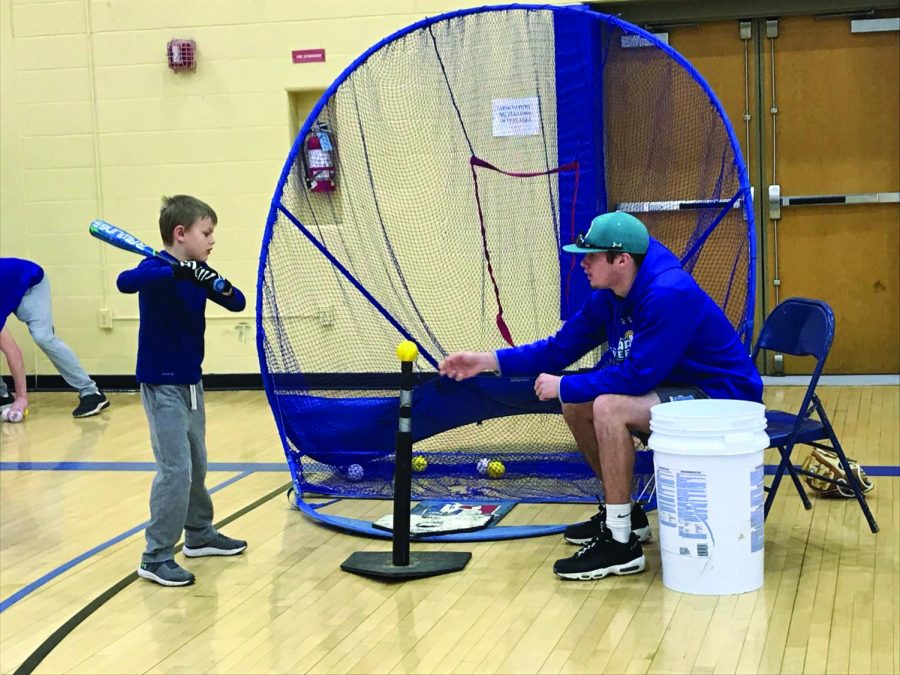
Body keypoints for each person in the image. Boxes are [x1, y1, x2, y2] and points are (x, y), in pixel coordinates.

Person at [439, 211, 762, 581]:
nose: (583, 263)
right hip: (678, 390)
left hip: (724, 398)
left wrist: (565, 385)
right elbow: (559, 350)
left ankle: (621, 545)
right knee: (578, 405)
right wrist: (488, 360)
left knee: (608, 407)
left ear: (621, 259)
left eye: (591, 255)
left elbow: (640, 375)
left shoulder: (669, 294)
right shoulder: (611, 294)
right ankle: (625, 516)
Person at [117, 195, 248, 587]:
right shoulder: (155, 268)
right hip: (162, 384)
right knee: (175, 470)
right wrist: (177, 272)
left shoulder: (197, 271)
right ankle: (156, 556)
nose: (212, 241)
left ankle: (199, 534)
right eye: (206, 233)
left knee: (197, 465)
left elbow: (237, 302)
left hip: (192, 382)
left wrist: (215, 282)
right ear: (180, 233)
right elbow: (126, 282)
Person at [0, 257, 109, 417]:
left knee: (42, 336)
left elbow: (13, 352)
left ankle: (91, 392)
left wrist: (22, 397)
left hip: (31, 283)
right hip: (9, 286)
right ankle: (2, 395)